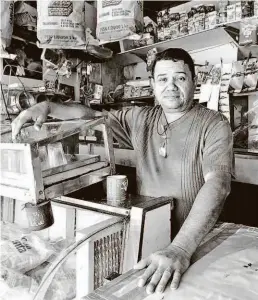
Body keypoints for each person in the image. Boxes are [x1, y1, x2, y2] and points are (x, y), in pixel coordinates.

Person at [12, 48, 233, 294]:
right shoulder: (141, 118)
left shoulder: (214, 123)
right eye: (162, 79)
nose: (170, 86)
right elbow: (90, 115)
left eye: (180, 78)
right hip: (151, 236)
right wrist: (47, 108)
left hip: (194, 243)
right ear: (153, 84)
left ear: (194, 81)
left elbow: (218, 184)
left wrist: (180, 249)